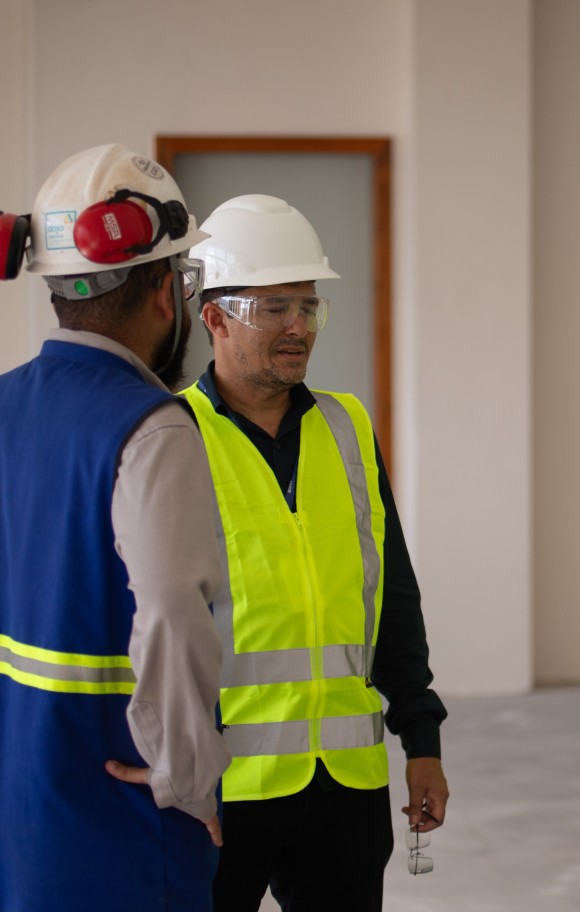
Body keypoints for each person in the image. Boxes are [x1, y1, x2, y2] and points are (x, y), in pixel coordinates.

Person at [184, 195, 449, 911]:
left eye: (308, 307)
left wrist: (420, 736)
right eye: (275, 308)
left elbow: (391, 593)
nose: (300, 327)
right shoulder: (173, 436)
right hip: (221, 793)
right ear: (215, 317)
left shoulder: (347, 426)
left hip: (346, 785)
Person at [0, 144, 230, 911]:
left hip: (23, 804)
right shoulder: (151, 427)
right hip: (122, 822)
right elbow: (170, 612)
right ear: (166, 291)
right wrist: (189, 777)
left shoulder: (5, 403)